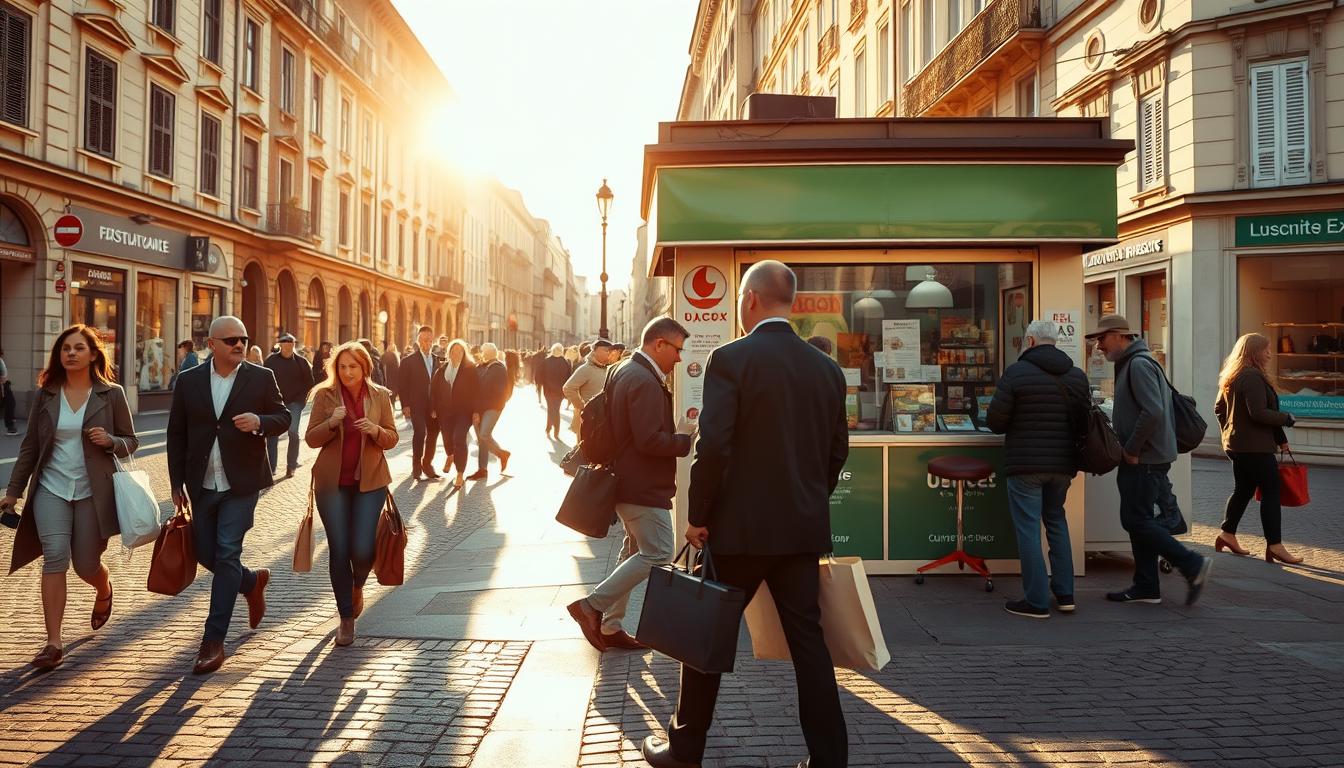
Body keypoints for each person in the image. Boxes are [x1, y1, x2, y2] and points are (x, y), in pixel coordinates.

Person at [640, 261, 848, 768]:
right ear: (789, 301)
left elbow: (715, 447)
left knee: (703, 636)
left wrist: (698, 513)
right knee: (810, 646)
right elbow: (837, 451)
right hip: (800, 529)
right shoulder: (826, 368)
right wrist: (807, 497)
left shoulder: (730, 358)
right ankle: (829, 759)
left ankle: (685, 749)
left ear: (751, 299)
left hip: (739, 529)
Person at [0, 325, 138, 671]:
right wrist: (13, 493)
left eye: (78, 348)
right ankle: (53, 642)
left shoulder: (112, 393)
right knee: (55, 557)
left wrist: (111, 440)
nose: (71, 353)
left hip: (94, 492)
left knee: (86, 564)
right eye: (65, 348)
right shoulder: (47, 394)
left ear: (93, 354)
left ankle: (103, 588)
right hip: (51, 488)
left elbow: (130, 440)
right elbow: (31, 445)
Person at [167, 316, 291, 675]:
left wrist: (260, 422)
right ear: (212, 344)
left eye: (244, 338)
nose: (239, 344)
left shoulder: (261, 376)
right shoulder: (188, 381)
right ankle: (251, 582)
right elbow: (176, 433)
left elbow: (283, 417)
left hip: (242, 482)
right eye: (232, 340)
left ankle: (213, 641)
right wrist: (176, 483)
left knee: (226, 552)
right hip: (201, 483)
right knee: (207, 552)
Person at [567, 317, 696, 654]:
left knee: (634, 551)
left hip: (626, 480)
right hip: (641, 484)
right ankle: (591, 607)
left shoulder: (624, 369)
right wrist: (684, 440)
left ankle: (610, 626)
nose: (680, 359)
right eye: (677, 350)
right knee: (659, 551)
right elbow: (648, 440)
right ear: (659, 344)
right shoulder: (642, 379)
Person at [1087, 314, 1211, 607]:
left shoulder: (1139, 364)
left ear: (1119, 335)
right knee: (1138, 519)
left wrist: (1131, 449)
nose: (1098, 347)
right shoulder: (1136, 362)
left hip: (1144, 458)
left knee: (1136, 519)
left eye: (1101, 339)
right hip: (1147, 456)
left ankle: (1191, 564)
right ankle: (1146, 585)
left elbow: (1152, 411)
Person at [986, 319, 1089, 618]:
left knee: (1029, 529)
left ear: (1029, 341)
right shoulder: (1076, 376)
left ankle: (1036, 601)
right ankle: (1066, 594)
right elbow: (1083, 424)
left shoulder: (1016, 373)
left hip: (1026, 465)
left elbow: (995, 422)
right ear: (1055, 342)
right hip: (1063, 465)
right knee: (1056, 522)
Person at [305, 341, 398, 646]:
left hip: (370, 483)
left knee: (363, 549)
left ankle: (357, 584)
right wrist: (331, 423)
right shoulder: (324, 395)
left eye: (353, 367)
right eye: (342, 367)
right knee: (339, 549)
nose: (347, 372)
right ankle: (346, 618)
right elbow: (311, 439)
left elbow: (392, 438)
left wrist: (375, 430)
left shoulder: (380, 396)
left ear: (364, 368)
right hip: (332, 485)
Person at [1214, 333, 1303, 564]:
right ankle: (1275, 546)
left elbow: (1218, 409)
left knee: (1243, 489)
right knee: (1272, 492)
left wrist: (1230, 433)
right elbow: (1259, 413)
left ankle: (1227, 534)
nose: (1270, 354)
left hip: (1239, 445)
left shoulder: (1232, 375)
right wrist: (1286, 419)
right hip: (1255, 448)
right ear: (1254, 352)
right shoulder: (1251, 376)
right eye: (1266, 350)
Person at [431, 339, 480, 489]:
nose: (456, 354)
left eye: (459, 351)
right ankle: (450, 455)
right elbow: (434, 389)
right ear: (449, 352)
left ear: (464, 352)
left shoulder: (470, 369)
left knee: (459, 438)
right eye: (453, 351)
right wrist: (434, 407)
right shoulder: (442, 369)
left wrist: (477, 411)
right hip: (445, 412)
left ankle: (460, 473)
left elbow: (477, 391)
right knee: (447, 439)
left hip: (464, 412)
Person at [264, 333, 314, 479]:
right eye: (284, 342)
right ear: (280, 344)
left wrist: (301, 399)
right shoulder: (271, 361)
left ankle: (291, 466)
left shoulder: (301, 362)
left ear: (293, 344)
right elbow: (263, 381)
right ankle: (271, 469)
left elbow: (310, 383)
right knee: (272, 435)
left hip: (295, 403)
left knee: (293, 433)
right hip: (275, 403)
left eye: (290, 342)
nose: (287, 345)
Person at [398, 326, 442, 481]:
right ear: (418, 340)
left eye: (430, 340)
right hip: (416, 405)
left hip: (433, 406)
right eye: (424, 340)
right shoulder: (408, 361)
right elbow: (402, 385)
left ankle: (427, 464)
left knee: (434, 433)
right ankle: (416, 467)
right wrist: (405, 405)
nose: (427, 343)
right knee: (420, 433)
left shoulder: (438, 360)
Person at [468, 343, 512, 481]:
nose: (482, 354)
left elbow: (487, 391)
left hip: (492, 407)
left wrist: (500, 403)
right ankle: (482, 469)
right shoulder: (481, 366)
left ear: (489, 353)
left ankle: (502, 454)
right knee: (481, 439)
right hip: (478, 407)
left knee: (484, 434)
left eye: (484, 352)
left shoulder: (498, 368)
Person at [563, 339, 615, 436]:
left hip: (604, 420)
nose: (609, 353)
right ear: (594, 351)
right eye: (605, 350)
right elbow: (568, 388)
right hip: (589, 420)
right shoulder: (586, 369)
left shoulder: (609, 368)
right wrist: (582, 406)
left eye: (609, 350)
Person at [540, 343, 573, 440]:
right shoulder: (565, 362)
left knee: (551, 408)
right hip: (559, 391)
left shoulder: (546, 361)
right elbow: (569, 377)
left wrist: (543, 383)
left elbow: (540, 375)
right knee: (556, 409)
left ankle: (549, 427)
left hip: (548, 390)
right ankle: (556, 431)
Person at [0, 346, 17, 435]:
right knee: (10, 403)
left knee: (11, 403)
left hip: (5, 385)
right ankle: (10, 426)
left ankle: (11, 425)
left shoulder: (1, 360)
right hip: (3, 386)